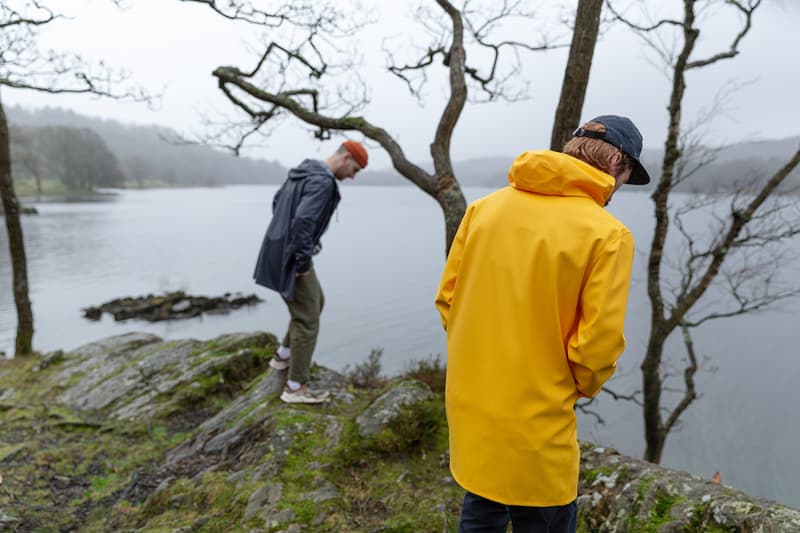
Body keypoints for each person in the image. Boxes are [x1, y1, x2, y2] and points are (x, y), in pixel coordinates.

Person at [435, 115, 650, 532]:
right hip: (539, 418)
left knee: (483, 505)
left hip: (473, 402)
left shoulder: (485, 209)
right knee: (545, 514)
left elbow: (448, 300)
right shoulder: (608, 235)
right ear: (618, 165)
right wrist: (574, 383)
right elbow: (596, 348)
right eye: (627, 175)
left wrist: (479, 354)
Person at [254, 140, 368, 404]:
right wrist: (301, 261)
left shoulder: (304, 172)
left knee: (316, 302)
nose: (353, 176)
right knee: (307, 319)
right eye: (355, 169)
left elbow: (277, 203)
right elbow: (304, 221)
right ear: (345, 157)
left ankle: (283, 356)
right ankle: (295, 387)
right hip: (293, 256)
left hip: (280, 249)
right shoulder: (322, 182)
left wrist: (288, 242)